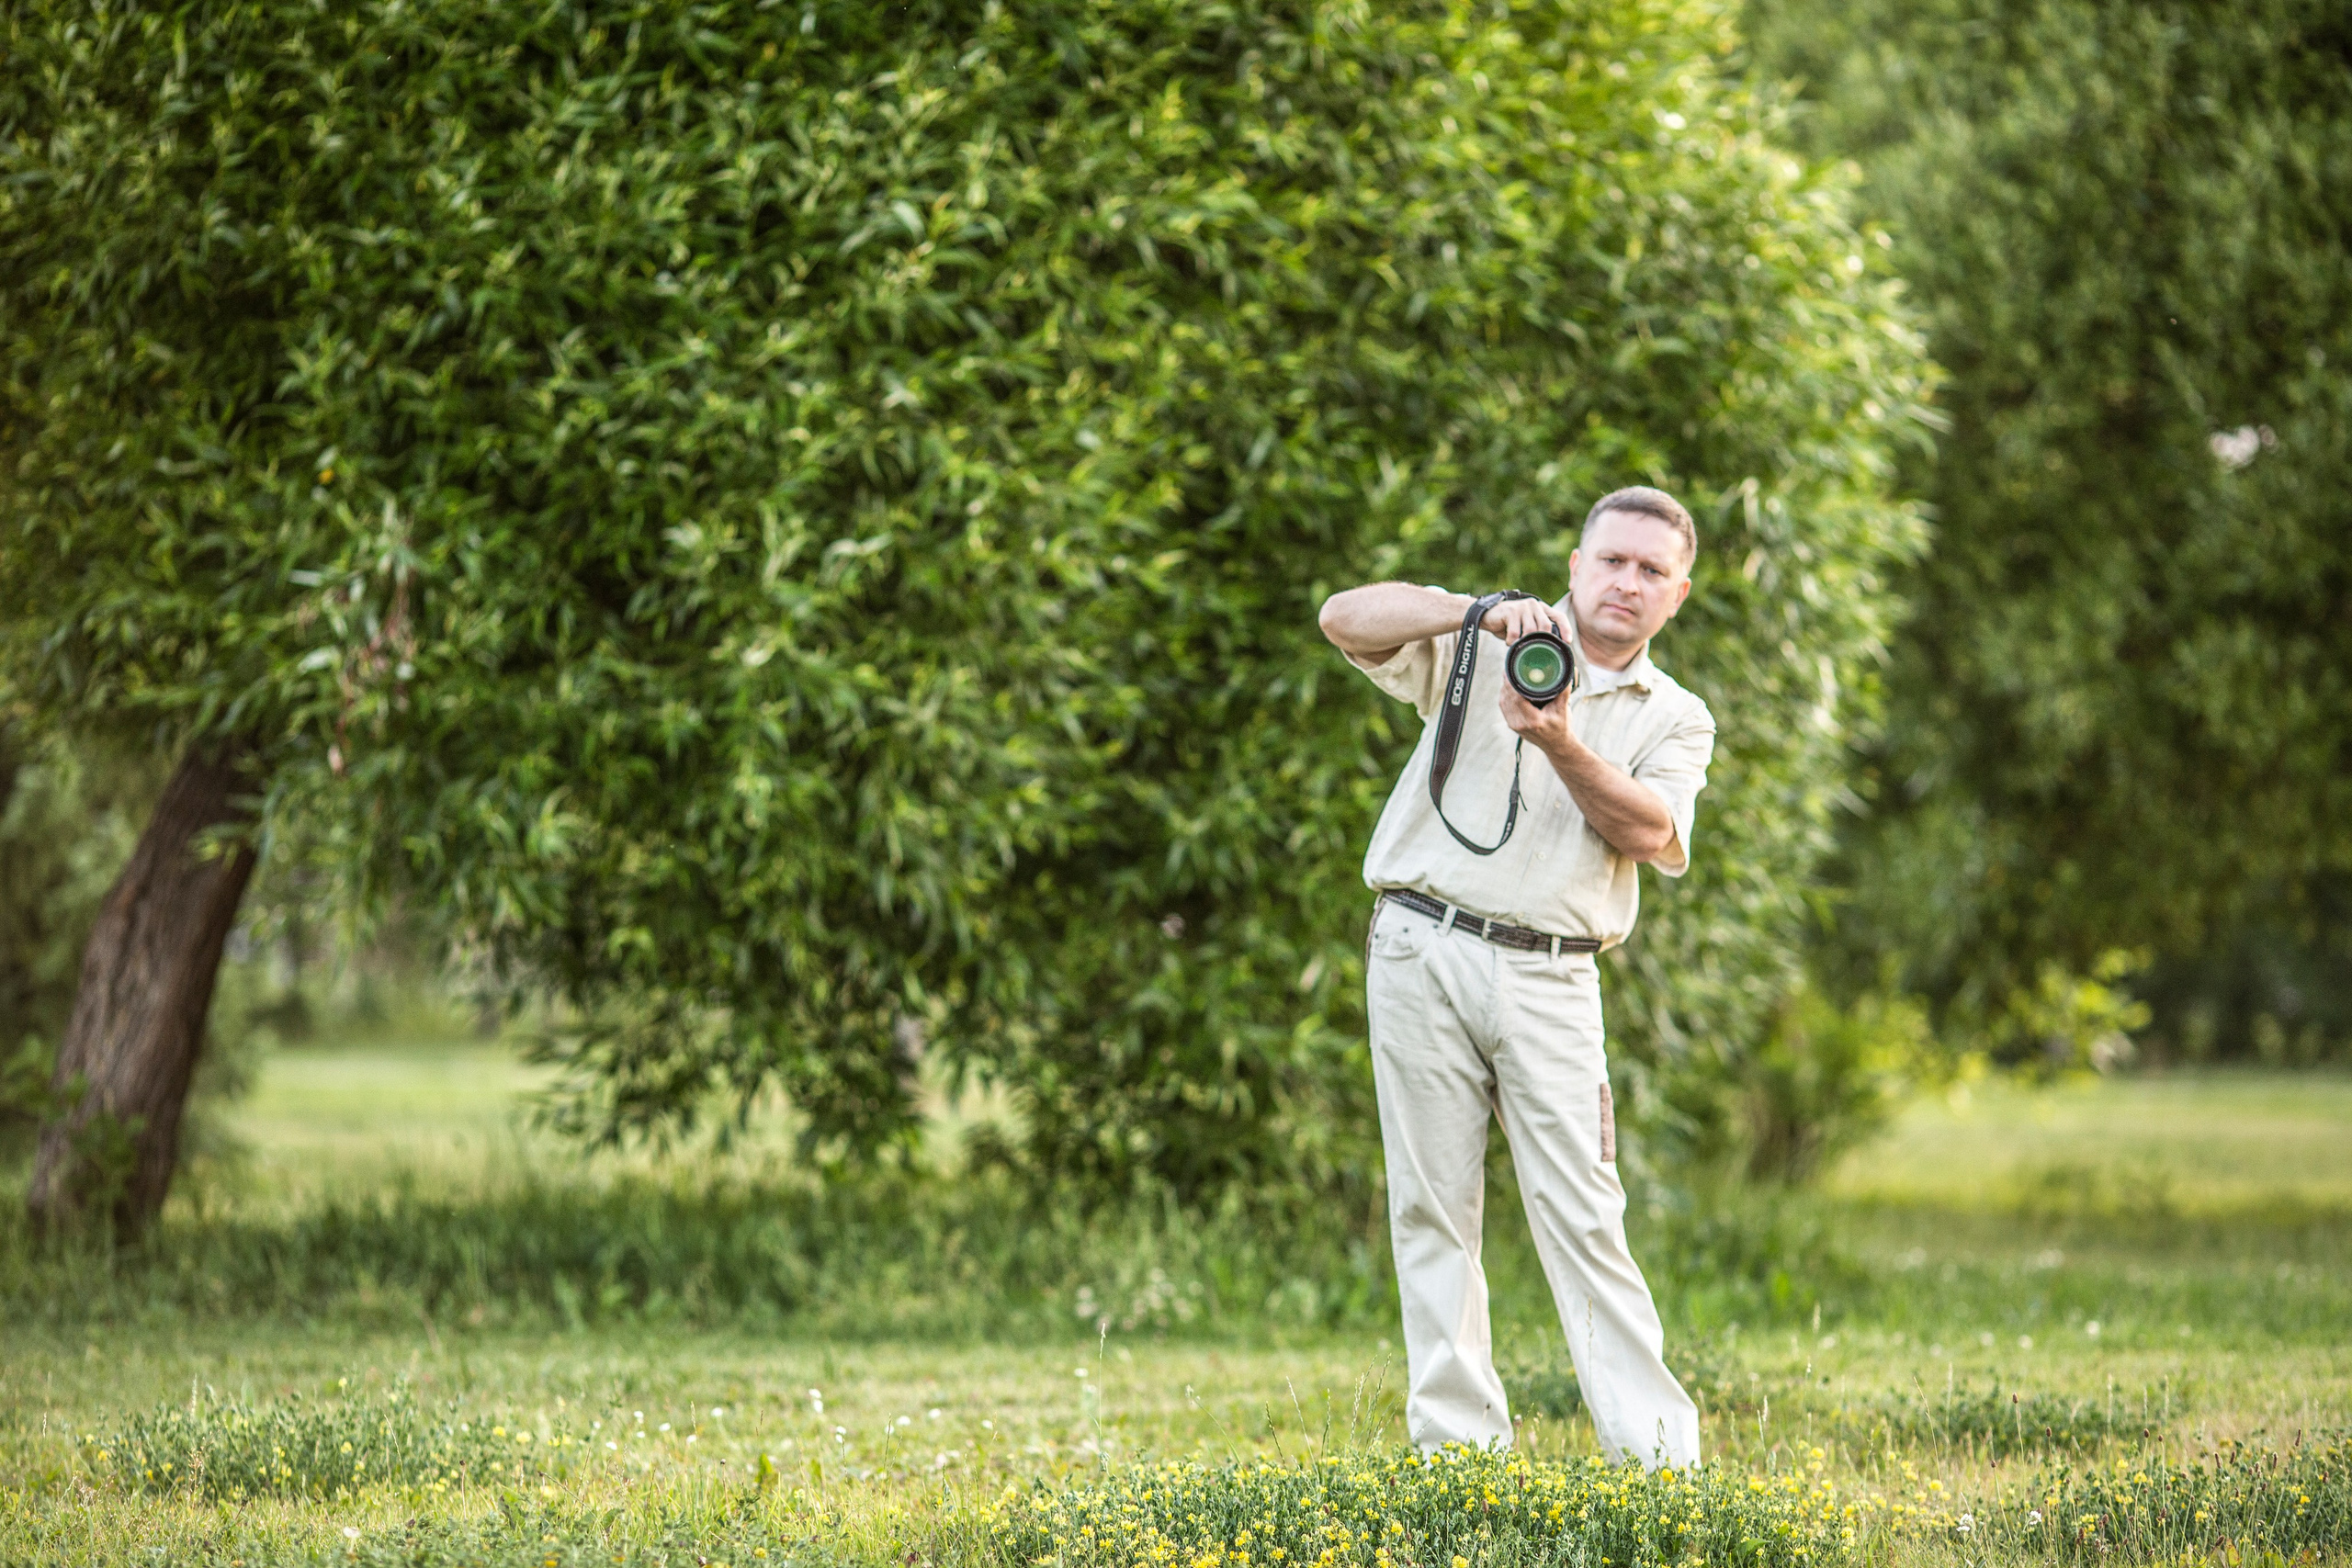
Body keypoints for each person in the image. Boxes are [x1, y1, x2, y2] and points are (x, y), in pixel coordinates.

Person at [1317, 485, 1715, 1469]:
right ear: (1575, 566)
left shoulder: (1677, 716)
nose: (1627, 582)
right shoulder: (1486, 641)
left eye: (1650, 571)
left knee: (1584, 1215)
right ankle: (1460, 1457)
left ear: (1678, 595)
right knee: (1429, 1206)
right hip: (1418, 944)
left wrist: (1557, 737)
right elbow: (1341, 619)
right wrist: (1472, 611)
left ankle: (1658, 1460)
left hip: (1552, 976)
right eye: (1611, 560)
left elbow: (1649, 832)